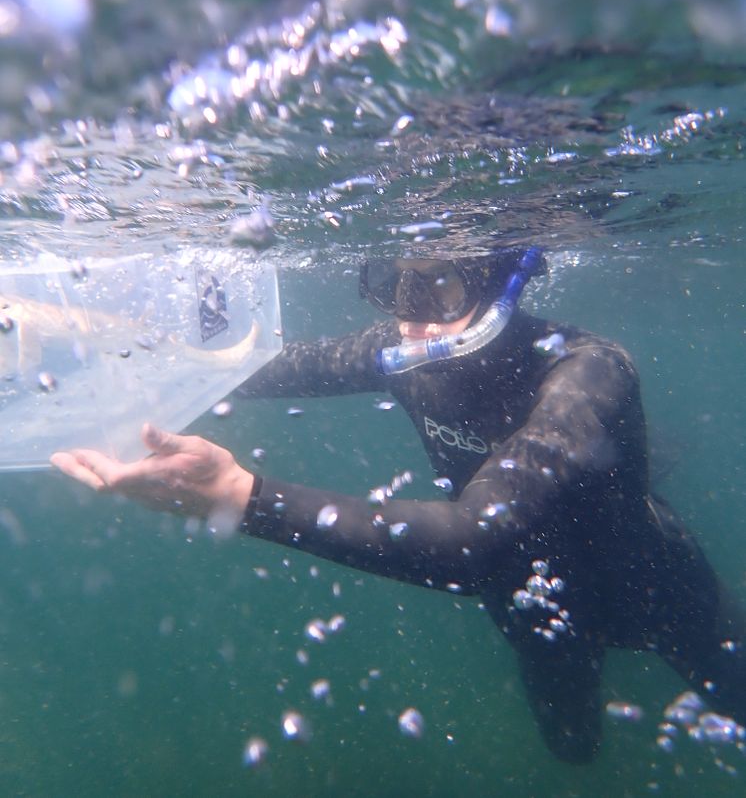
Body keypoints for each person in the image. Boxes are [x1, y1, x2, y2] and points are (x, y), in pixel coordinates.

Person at [51, 245, 746, 763]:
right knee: (574, 750)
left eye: (438, 288)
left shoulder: (586, 370)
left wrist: (241, 495)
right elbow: (249, 364)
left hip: (658, 589)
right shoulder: (403, 346)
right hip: (535, 612)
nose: (411, 322)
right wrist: (85, 327)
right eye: (394, 286)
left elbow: (475, 537)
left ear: (502, 279)